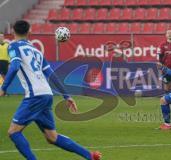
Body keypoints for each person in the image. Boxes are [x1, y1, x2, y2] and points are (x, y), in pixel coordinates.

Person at [0, 20, 101, 160]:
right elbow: (51, 75)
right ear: (30, 32)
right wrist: (67, 96)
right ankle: (89, 155)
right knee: (51, 137)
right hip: (47, 94)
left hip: (34, 96)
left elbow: (15, 65)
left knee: (13, 132)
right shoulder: (36, 51)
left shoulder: (13, 46)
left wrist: (3, 88)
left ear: (12, 32)